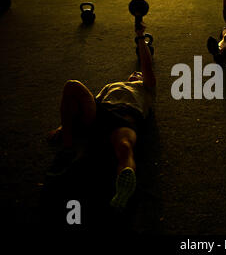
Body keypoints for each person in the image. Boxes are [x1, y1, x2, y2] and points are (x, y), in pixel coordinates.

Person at [48, 24, 156, 209]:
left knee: (124, 147)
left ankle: (123, 187)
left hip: (126, 117)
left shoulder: (146, 88)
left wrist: (140, 37)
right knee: (72, 86)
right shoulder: (112, 85)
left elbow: (146, 65)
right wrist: (64, 125)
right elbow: (88, 103)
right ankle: (67, 148)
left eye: (140, 74)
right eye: (135, 72)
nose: (137, 73)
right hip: (100, 112)